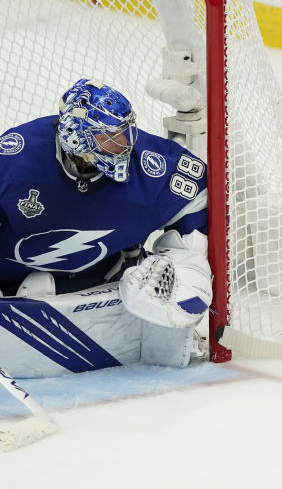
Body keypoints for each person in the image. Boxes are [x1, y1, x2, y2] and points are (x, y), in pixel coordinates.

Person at [0, 78, 212, 377]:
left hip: (93, 275)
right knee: (30, 287)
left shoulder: (151, 164)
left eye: (125, 133)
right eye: (109, 138)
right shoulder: (15, 159)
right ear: (76, 136)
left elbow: (195, 194)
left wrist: (186, 267)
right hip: (11, 275)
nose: (123, 145)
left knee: (40, 289)